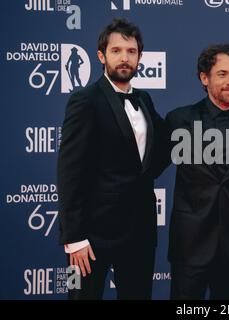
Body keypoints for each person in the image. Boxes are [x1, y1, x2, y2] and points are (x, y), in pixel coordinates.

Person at [57, 18, 167, 300]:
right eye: (117, 50)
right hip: (91, 236)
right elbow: (69, 172)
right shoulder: (85, 100)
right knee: (79, 297)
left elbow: (164, 147)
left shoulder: (144, 100)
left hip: (139, 233)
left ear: (140, 57)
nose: (124, 58)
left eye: (131, 52)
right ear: (101, 55)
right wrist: (74, 239)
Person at [165, 44, 229, 300]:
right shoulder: (179, 120)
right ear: (204, 78)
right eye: (222, 74)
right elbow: (147, 168)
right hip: (189, 246)